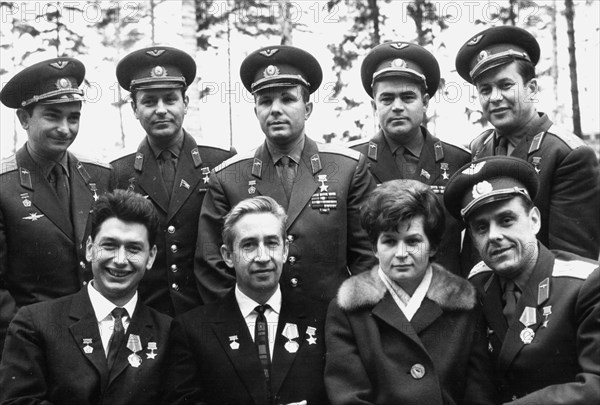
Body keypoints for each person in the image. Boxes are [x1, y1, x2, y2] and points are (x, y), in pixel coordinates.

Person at [196, 45, 376, 304]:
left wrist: (351, 321)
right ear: (255, 110)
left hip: (332, 323)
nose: (275, 110)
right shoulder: (228, 177)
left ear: (308, 108)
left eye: (288, 99)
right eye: (266, 101)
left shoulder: (347, 169)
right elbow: (212, 263)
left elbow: (367, 257)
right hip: (258, 325)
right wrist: (240, 319)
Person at [444, 156, 600, 404]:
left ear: (534, 220)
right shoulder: (477, 284)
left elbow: (595, 386)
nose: (494, 236)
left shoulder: (586, 284)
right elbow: (476, 379)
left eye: (506, 220)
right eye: (481, 228)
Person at [325, 179, 496, 405]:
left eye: (413, 241)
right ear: (374, 248)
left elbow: (478, 393)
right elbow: (348, 396)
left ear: (433, 246)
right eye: (390, 242)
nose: (402, 253)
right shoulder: (347, 308)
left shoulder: (464, 304)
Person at [0, 190, 172, 404]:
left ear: (151, 257)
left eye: (133, 248)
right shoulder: (34, 324)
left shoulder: (169, 333)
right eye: (109, 245)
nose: (120, 259)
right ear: (90, 249)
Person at [163, 196, 328, 405]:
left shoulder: (322, 319)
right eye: (249, 245)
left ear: (285, 250)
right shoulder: (193, 330)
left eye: (271, 243)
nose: (262, 257)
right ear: (228, 255)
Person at [455, 25, 600, 260]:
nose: (494, 98)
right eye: (485, 90)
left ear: (531, 89)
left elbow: (572, 262)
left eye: (505, 85)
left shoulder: (566, 154)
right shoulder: (476, 149)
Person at [0, 57, 113, 356]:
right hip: (31, 342)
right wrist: (22, 341)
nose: (65, 129)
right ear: (24, 119)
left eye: (73, 117)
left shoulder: (100, 176)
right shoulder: (3, 186)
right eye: (52, 116)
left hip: (96, 336)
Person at [111, 46, 235, 317]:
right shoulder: (119, 173)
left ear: (186, 103)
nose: (161, 110)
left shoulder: (222, 163)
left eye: (170, 99)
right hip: (146, 318)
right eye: (149, 101)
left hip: (211, 314)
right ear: (134, 108)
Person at [349, 41, 474, 276]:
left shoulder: (459, 161)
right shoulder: (353, 162)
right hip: (377, 301)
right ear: (374, 104)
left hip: (444, 298)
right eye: (387, 99)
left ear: (425, 102)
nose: (397, 107)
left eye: (407, 97)